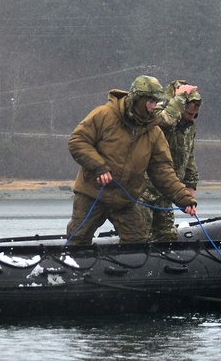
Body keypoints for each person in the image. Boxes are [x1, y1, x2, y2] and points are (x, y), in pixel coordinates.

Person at [65, 75, 198, 245]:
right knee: (78, 239)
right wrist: (99, 167)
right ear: (138, 99)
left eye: (156, 101)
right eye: (150, 101)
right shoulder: (104, 115)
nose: (153, 106)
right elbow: (78, 141)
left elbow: (162, 170)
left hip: (125, 199)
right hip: (92, 194)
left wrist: (183, 198)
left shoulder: (153, 132)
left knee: (137, 242)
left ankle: (122, 270)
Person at [140, 81, 202, 241]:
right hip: (145, 191)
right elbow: (163, 121)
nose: (191, 118)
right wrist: (180, 97)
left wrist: (190, 185)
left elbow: (189, 155)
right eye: (188, 113)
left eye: (194, 114)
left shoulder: (189, 127)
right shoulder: (158, 114)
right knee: (140, 237)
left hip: (167, 191)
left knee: (167, 236)